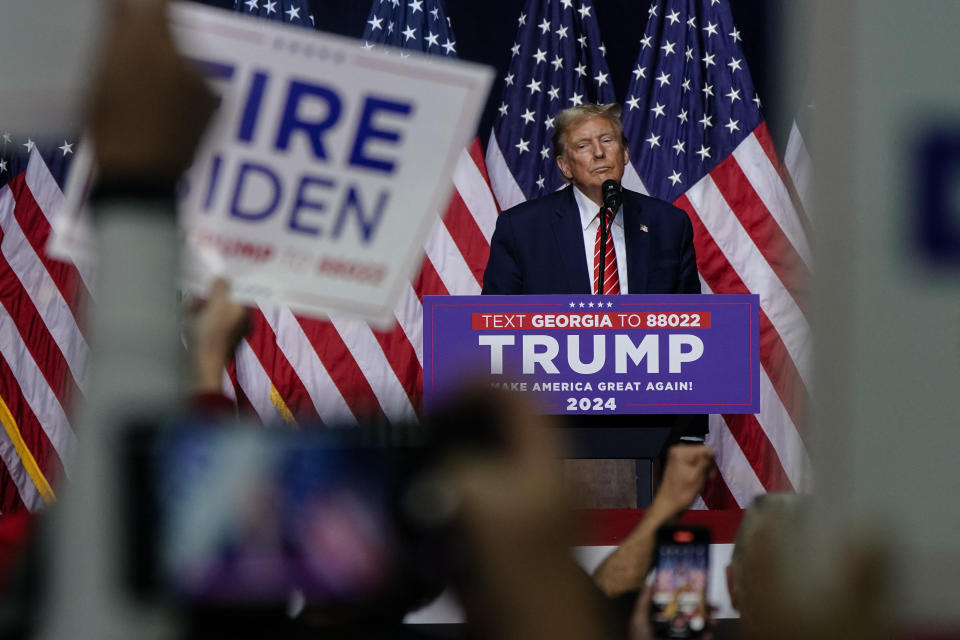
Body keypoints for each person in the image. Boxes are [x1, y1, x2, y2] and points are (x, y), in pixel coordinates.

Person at [482, 102, 699, 297]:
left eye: (607, 140)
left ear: (624, 153)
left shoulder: (669, 224)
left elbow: (690, 316)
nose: (598, 153)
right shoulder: (521, 228)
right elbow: (495, 320)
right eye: (583, 145)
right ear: (565, 166)